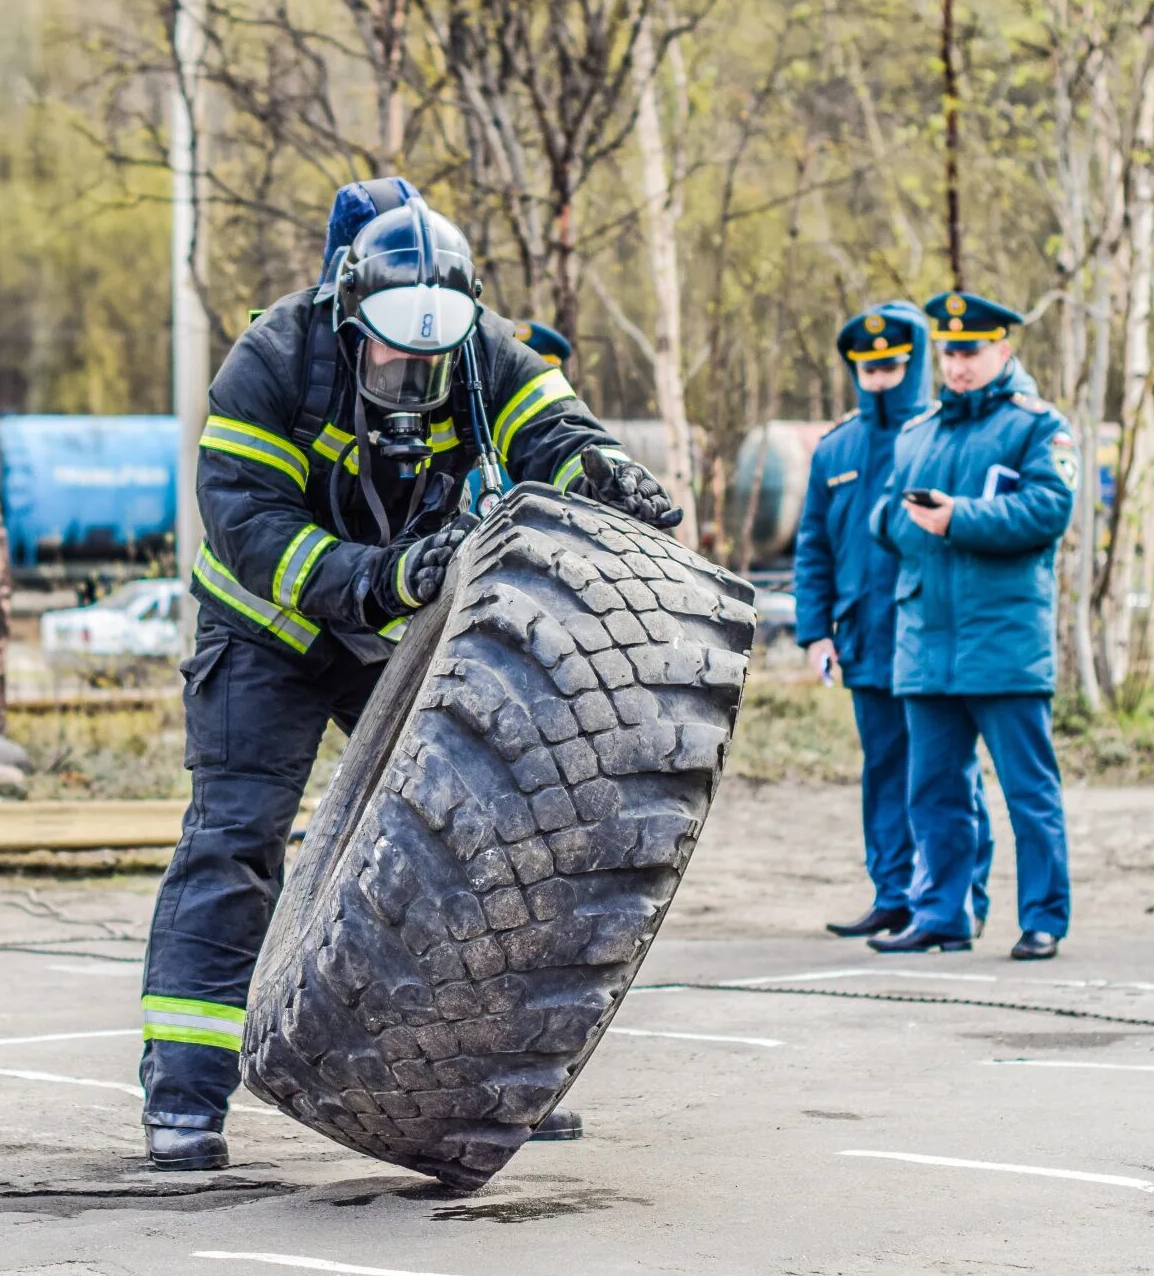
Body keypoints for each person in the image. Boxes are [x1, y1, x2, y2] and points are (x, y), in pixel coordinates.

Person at [140, 183, 683, 1172]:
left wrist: (602, 472)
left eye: (432, 355)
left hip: (388, 628)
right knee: (236, 846)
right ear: (350, 317)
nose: (413, 370)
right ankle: (183, 1096)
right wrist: (381, 575)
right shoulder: (270, 361)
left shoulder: (486, 351)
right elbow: (249, 527)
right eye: (392, 350)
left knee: (471, 838)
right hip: (267, 630)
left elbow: (555, 437)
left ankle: (493, 1077)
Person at [866, 291, 1076, 961]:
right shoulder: (918, 430)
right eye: (951, 352)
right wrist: (898, 518)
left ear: (1003, 350)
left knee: (1027, 790)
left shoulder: (1037, 427)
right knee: (934, 790)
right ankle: (942, 913)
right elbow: (888, 519)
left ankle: (1043, 917)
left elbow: (1049, 509)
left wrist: (959, 517)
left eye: (972, 351)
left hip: (1004, 640)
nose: (958, 365)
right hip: (926, 638)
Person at [795, 302, 994, 938]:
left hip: (934, 633)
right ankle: (893, 893)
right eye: (868, 368)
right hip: (865, 637)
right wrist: (815, 632)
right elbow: (813, 547)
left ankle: (961, 897)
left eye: (890, 366)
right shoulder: (837, 448)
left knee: (946, 772)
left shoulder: (942, 435)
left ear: (912, 365)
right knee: (884, 769)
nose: (879, 378)